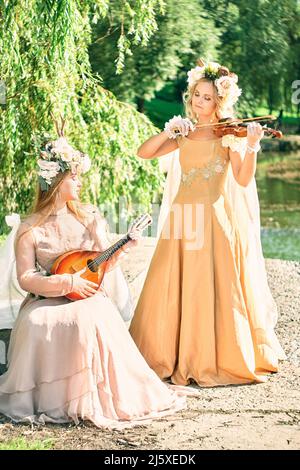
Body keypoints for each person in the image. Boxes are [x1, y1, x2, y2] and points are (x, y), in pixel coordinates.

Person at [0, 128, 189, 428]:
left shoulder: (89, 217)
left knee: (88, 318)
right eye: (74, 176)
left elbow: (100, 265)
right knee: (37, 323)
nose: (80, 181)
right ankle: (46, 400)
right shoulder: (30, 228)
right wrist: (65, 283)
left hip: (87, 294)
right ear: (56, 181)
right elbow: (26, 278)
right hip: (45, 297)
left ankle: (89, 399)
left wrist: (126, 248)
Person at [130, 59, 286, 387]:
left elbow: (242, 180)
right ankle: (164, 353)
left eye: (207, 98)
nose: (199, 102)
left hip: (214, 220)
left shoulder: (229, 135)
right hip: (181, 218)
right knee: (169, 282)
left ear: (220, 102)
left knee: (209, 286)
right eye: (196, 95)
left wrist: (253, 145)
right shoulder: (185, 133)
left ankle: (208, 355)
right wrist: (166, 131)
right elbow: (143, 154)